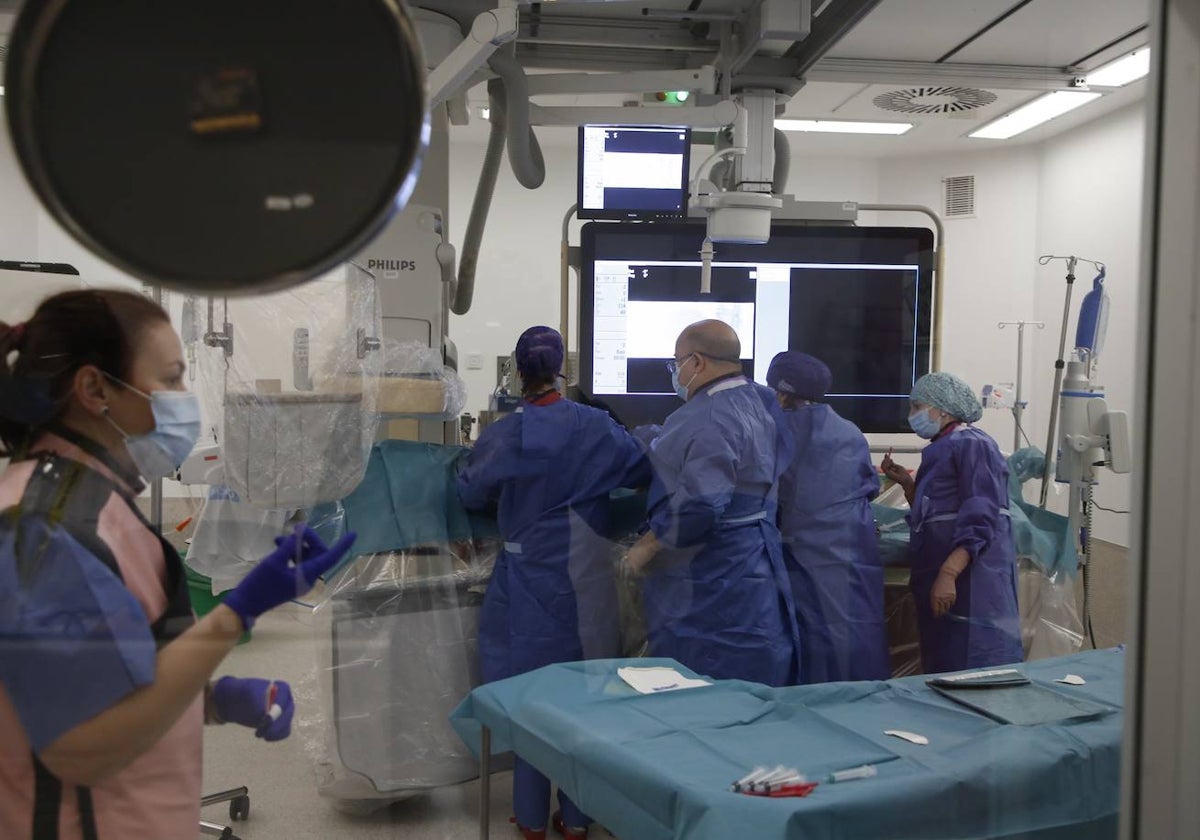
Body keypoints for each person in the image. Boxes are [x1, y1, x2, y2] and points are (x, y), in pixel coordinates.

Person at [0, 289, 355, 840]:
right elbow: (81, 747)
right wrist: (233, 615)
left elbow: (104, 674)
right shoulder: (46, 526)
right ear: (96, 389)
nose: (184, 399)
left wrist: (211, 700)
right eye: (170, 379)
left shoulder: (97, 506)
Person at [457, 326, 649, 840]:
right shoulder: (598, 427)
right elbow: (639, 469)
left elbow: (471, 494)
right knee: (582, 699)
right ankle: (580, 816)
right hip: (586, 579)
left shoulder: (503, 435)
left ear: (518, 372)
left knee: (530, 701)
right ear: (564, 367)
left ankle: (532, 816)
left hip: (526, 584)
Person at [626, 320, 801, 687]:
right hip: (756, 557)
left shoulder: (707, 416)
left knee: (702, 678)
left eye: (676, 364)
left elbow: (702, 504)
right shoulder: (763, 400)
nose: (675, 372)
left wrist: (644, 547)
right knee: (755, 674)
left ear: (698, 363)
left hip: (714, 570)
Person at [881, 371, 1023, 674]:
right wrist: (908, 484)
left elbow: (983, 512)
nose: (912, 415)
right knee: (946, 667)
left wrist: (948, 572)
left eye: (917, 407)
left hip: (971, 581)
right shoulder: (940, 449)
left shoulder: (973, 444)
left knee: (977, 667)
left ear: (942, 409)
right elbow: (937, 512)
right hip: (949, 581)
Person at [767, 352, 889, 683]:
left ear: (780, 391)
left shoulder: (775, 431)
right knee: (854, 635)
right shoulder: (848, 431)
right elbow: (868, 487)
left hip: (801, 556)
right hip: (851, 554)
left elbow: (768, 494)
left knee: (811, 644)